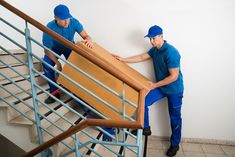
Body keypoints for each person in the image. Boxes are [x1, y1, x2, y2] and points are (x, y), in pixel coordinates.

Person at [114, 25, 184, 157]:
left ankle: (175, 145)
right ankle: (145, 128)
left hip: (175, 89)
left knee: (175, 118)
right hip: (161, 87)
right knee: (143, 101)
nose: (151, 41)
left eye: (154, 38)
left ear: (161, 36)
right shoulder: (155, 50)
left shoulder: (171, 52)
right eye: (150, 38)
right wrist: (123, 60)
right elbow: (141, 57)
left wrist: (155, 85)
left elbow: (173, 76)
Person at [42, 4, 93, 104]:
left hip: (69, 47)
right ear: (56, 18)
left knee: (77, 67)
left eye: (68, 18)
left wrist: (89, 40)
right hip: (54, 49)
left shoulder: (74, 22)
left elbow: (86, 36)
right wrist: (58, 63)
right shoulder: (49, 27)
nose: (67, 22)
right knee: (46, 64)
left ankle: (79, 94)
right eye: (63, 19)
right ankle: (54, 92)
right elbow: (47, 50)